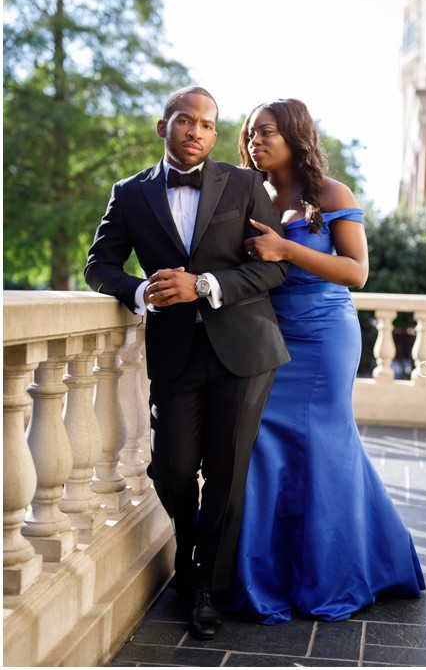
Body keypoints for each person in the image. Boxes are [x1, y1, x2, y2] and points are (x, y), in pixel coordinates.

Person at [84, 86, 289, 640]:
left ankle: (200, 584)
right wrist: (143, 293)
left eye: (206, 124)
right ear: (163, 126)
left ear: (214, 134)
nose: (196, 131)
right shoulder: (129, 194)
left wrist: (204, 285)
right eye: (185, 121)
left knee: (226, 474)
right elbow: (98, 266)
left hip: (244, 349)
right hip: (174, 353)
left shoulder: (245, 185)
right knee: (172, 468)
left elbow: (273, 269)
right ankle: (194, 553)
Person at [221, 98, 426, 624]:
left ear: (295, 135)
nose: (254, 141)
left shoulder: (330, 194)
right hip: (267, 331)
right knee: (263, 442)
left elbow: (357, 272)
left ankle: (332, 573)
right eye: (249, 134)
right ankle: (262, 573)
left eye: (265, 132)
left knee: (323, 444)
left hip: (323, 333)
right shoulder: (249, 193)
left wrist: (287, 250)